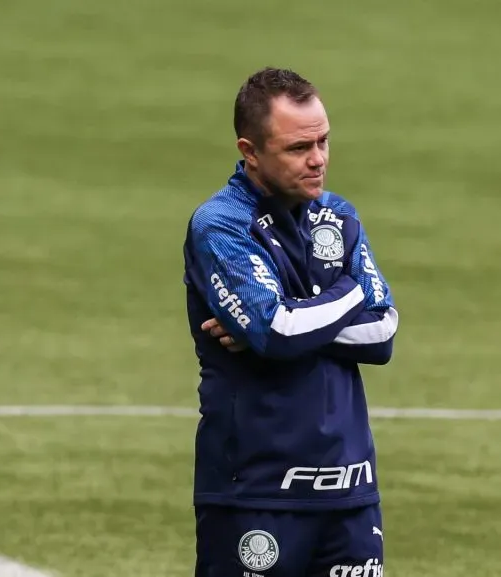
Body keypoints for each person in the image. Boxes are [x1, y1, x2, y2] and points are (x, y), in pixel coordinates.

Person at [181, 67, 398, 577]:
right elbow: (279, 331)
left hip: (349, 490)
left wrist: (293, 319)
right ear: (250, 151)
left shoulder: (338, 216)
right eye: (299, 147)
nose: (318, 159)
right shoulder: (221, 225)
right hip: (255, 492)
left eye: (323, 141)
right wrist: (347, 294)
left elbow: (383, 330)